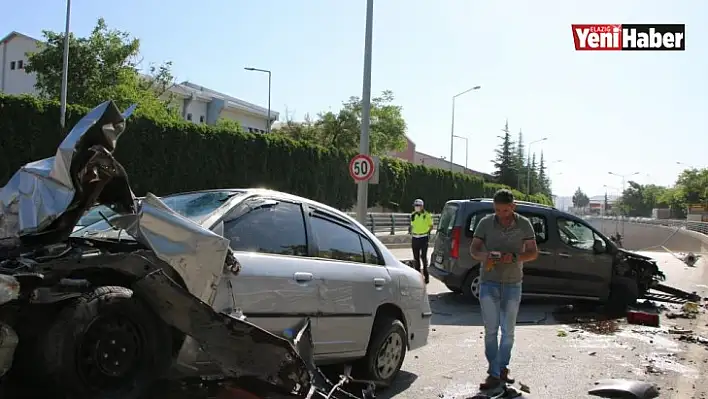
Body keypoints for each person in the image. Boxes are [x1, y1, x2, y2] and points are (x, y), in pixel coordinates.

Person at [469, 189, 539, 391]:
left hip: (513, 283)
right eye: (498, 210)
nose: (502, 214)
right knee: (491, 331)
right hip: (488, 283)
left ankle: (502, 368)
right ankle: (493, 372)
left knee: (508, 332)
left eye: (506, 210)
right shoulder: (485, 223)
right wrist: (487, 256)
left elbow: (533, 253)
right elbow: (474, 250)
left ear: (513, 207)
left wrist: (515, 257)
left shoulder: (524, 224)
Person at [410, 198, 434, 284]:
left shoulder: (427, 215)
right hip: (415, 238)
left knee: (423, 257)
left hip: (423, 238)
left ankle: (426, 276)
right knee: (416, 259)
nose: (416, 207)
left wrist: (427, 233)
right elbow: (412, 226)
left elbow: (431, 225)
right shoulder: (413, 215)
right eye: (415, 206)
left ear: (422, 206)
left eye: (418, 206)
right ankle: (418, 277)